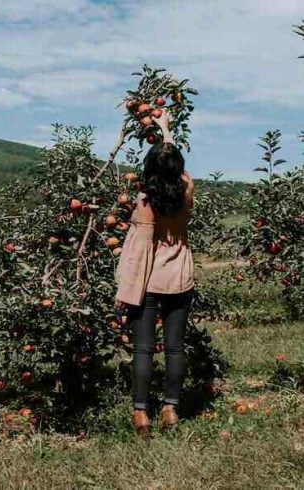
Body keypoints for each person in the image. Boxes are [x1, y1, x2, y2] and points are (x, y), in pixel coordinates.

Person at [114, 109, 194, 437]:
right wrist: (167, 132)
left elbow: (137, 254)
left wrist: (125, 293)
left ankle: (141, 415)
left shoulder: (145, 203)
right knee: (175, 348)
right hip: (180, 279)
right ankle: (171, 408)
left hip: (148, 282)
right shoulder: (187, 189)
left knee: (143, 349)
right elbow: (174, 167)